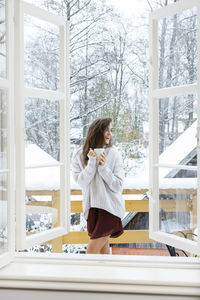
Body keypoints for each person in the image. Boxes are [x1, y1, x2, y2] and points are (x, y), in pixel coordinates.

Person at [72, 117, 125, 254]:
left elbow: (118, 185)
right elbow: (81, 181)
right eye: (106, 130)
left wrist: (103, 168)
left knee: (91, 251)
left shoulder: (114, 154)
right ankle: (108, 275)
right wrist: (91, 163)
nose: (110, 134)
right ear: (96, 131)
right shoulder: (79, 153)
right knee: (103, 251)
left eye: (111, 130)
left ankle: (88, 276)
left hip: (110, 208)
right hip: (92, 209)